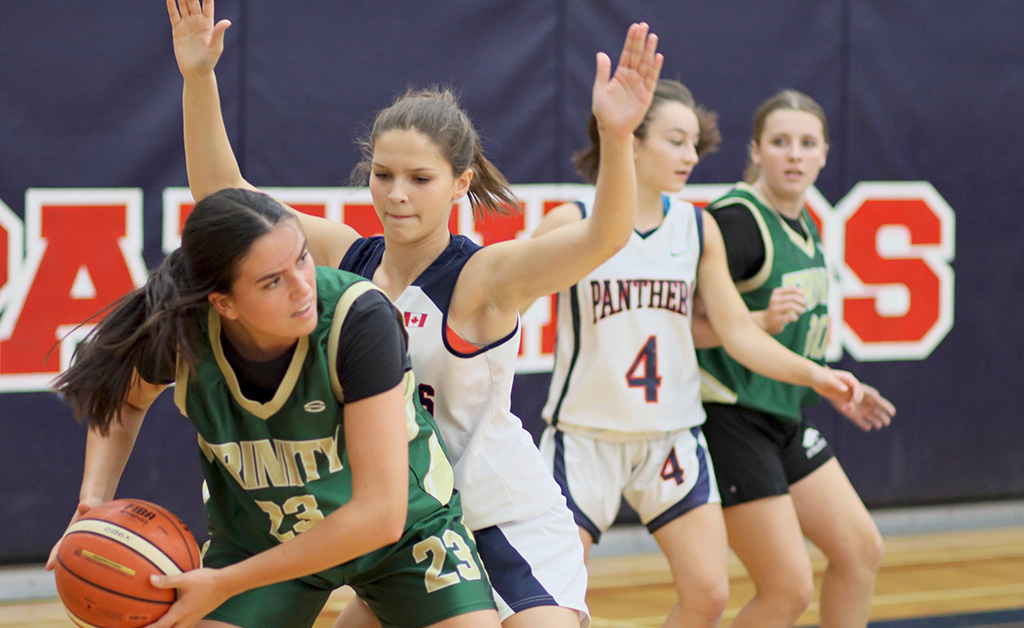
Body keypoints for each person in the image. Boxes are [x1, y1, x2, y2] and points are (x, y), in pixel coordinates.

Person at [166, 1, 664, 625]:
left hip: (494, 517)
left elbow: (603, 239)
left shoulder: (482, 278)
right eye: (382, 174)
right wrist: (198, 78)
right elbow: (225, 198)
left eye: (420, 179)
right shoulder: (343, 262)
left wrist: (617, 137)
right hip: (405, 522)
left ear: (460, 183)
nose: (397, 193)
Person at [46, 189, 501, 628]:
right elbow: (125, 398)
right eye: (272, 281)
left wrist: (224, 583)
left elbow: (379, 516)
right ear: (223, 303)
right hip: (262, 539)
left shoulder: (356, 317)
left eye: (301, 258)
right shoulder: (185, 331)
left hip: (403, 535)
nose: (303, 287)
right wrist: (94, 499)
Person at [526, 80, 864, 628]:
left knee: (708, 596)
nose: (691, 157)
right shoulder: (570, 222)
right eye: (677, 141)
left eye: (694, 145)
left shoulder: (696, 225)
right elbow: (498, 303)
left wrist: (817, 376)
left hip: (672, 437)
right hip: (586, 437)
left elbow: (736, 332)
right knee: (550, 598)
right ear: (631, 140)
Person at [694, 89, 895, 628]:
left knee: (860, 549)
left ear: (825, 153)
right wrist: (757, 322)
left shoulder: (805, 228)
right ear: (756, 150)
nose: (795, 154)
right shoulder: (737, 221)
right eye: (780, 142)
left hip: (782, 415)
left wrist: (829, 388)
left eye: (808, 144)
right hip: (729, 416)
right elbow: (678, 325)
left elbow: (795, 344)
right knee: (787, 589)